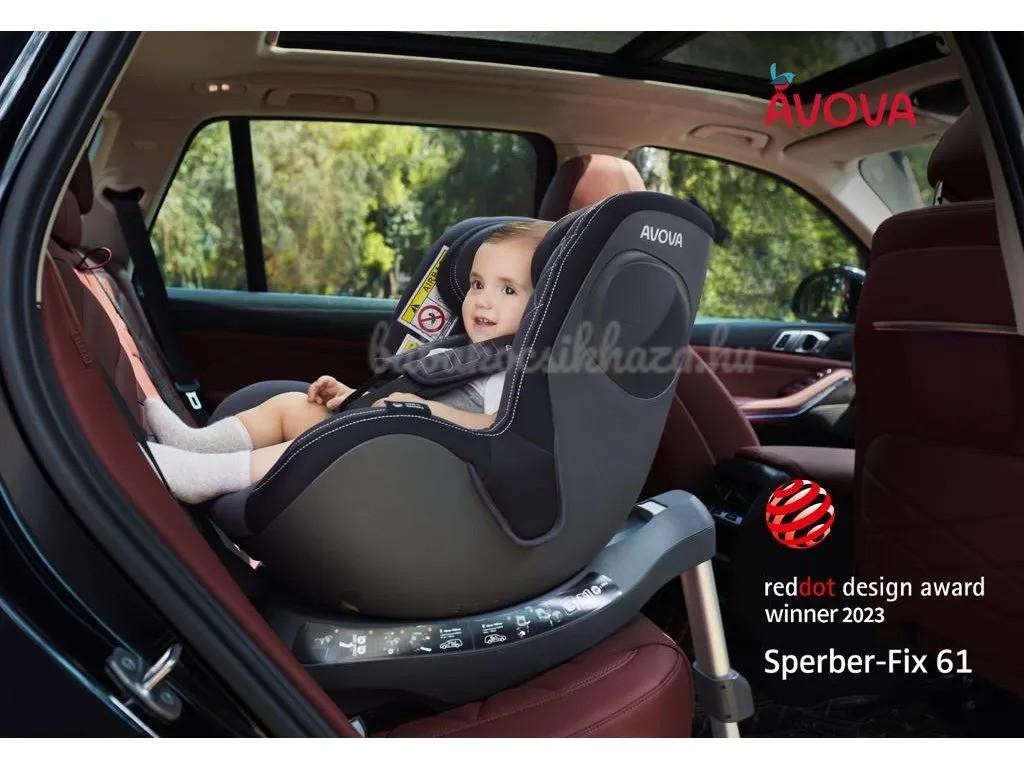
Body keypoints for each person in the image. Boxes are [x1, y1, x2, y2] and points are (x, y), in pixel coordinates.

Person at [144, 220, 551, 503]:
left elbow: (499, 426)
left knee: (320, 443)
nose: (482, 300)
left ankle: (204, 477)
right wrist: (352, 396)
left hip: (410, 467)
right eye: (477, 284)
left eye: (508, 291)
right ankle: (196, 445)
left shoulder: (512, 371)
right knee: (291, 406)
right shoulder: (456, 349)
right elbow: (401, 390)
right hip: (377, 437)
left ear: (543, 307)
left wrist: (431, 411)